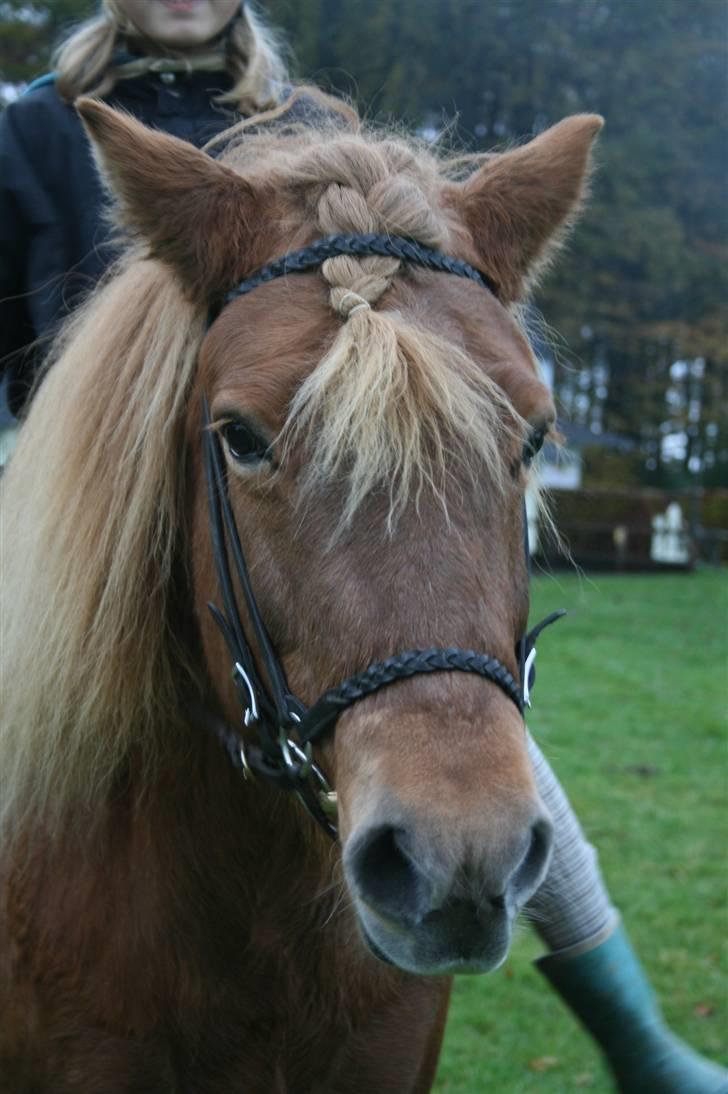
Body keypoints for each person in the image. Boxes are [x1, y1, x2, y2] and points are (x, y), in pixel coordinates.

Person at [0, 3, 724, 1090]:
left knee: (453, 719)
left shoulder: (289, 121)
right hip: (68, 514)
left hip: (280, 507)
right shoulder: (38, 133)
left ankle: (635, 1037)